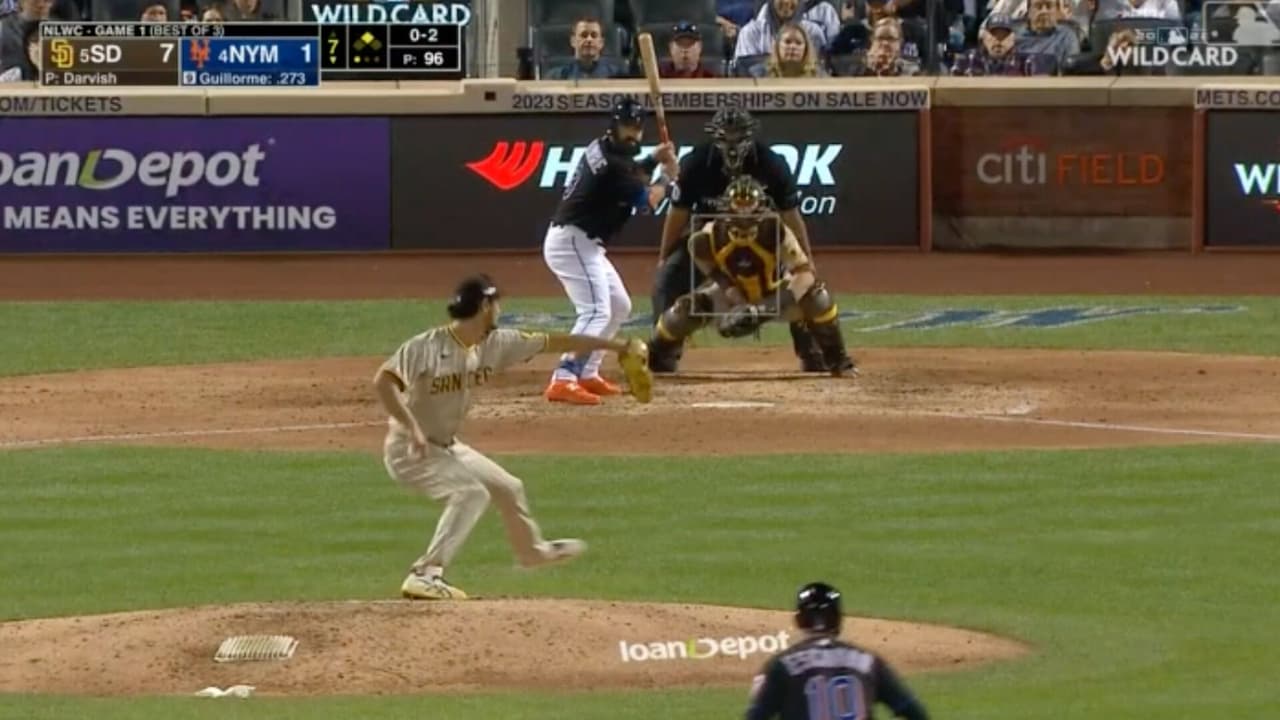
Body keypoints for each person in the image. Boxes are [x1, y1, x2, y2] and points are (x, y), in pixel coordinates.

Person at [374, 274, 651, 600]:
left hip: (448, 446)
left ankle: (532, 553)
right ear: (485, 305)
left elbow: (556, 342)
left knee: (509, 487)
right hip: (409, 450)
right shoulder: (426, 347)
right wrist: (412, 429)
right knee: (470, 494)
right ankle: (425, 574)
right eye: (496, 303)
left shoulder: (496, 344)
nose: (500, 309)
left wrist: (619, 346)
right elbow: (384, 382)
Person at [651, 107, 829, 373]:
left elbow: (790, 216)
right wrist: (664, 256)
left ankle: (813, 351)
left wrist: (807, 261)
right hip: (710, 240)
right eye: (726, 138)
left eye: (738, 137)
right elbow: (678, 214)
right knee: (667, 280)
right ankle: (663, 351)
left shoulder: (771, 164)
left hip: (762, 241)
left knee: (803, 285)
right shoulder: (696, 162)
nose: (732, 146)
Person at [648, 175, 856, 377]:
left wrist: (763, 308)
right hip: (733, 297)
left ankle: (837, 359)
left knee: (817, 296)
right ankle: (654, 359)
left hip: (773, 294)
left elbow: (805, 275)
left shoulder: (776, 230)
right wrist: (731, 292)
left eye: (749, 205)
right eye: (739, 204)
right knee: (683, 311)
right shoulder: (707, 238)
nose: (744, 212)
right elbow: (710, 267)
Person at [541, 97, 677, 405]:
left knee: (618, 306)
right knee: (595, 311)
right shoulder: (614, 165)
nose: (633, 133)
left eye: (637, 127)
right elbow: (647, 200)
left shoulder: (604, 149)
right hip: (572, 243)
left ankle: (587, 371)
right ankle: (563, 378)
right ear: (614, 126)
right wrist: (667, 176)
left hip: (584, 244)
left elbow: (630, 172)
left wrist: (654, 159)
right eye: (627, 127)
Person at [744, 581, 931, 720]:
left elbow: (756, 716)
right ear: (839, 619)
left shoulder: (782, 666)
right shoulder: (869, 662)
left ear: (799, 620)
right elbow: (913, 711)